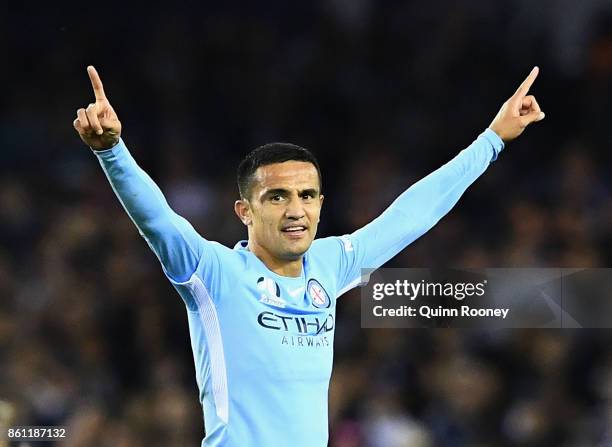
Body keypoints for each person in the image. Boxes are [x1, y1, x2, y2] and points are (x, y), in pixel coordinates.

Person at [73, 65, 544, 447]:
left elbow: (411, 215)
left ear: (321, 203)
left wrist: (493, 139)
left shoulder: (330, 264)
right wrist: (112, 151)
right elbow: (159, 220)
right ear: (245, 210)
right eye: (277, 196)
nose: (295, 210)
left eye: (307, 195)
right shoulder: (213, 273)